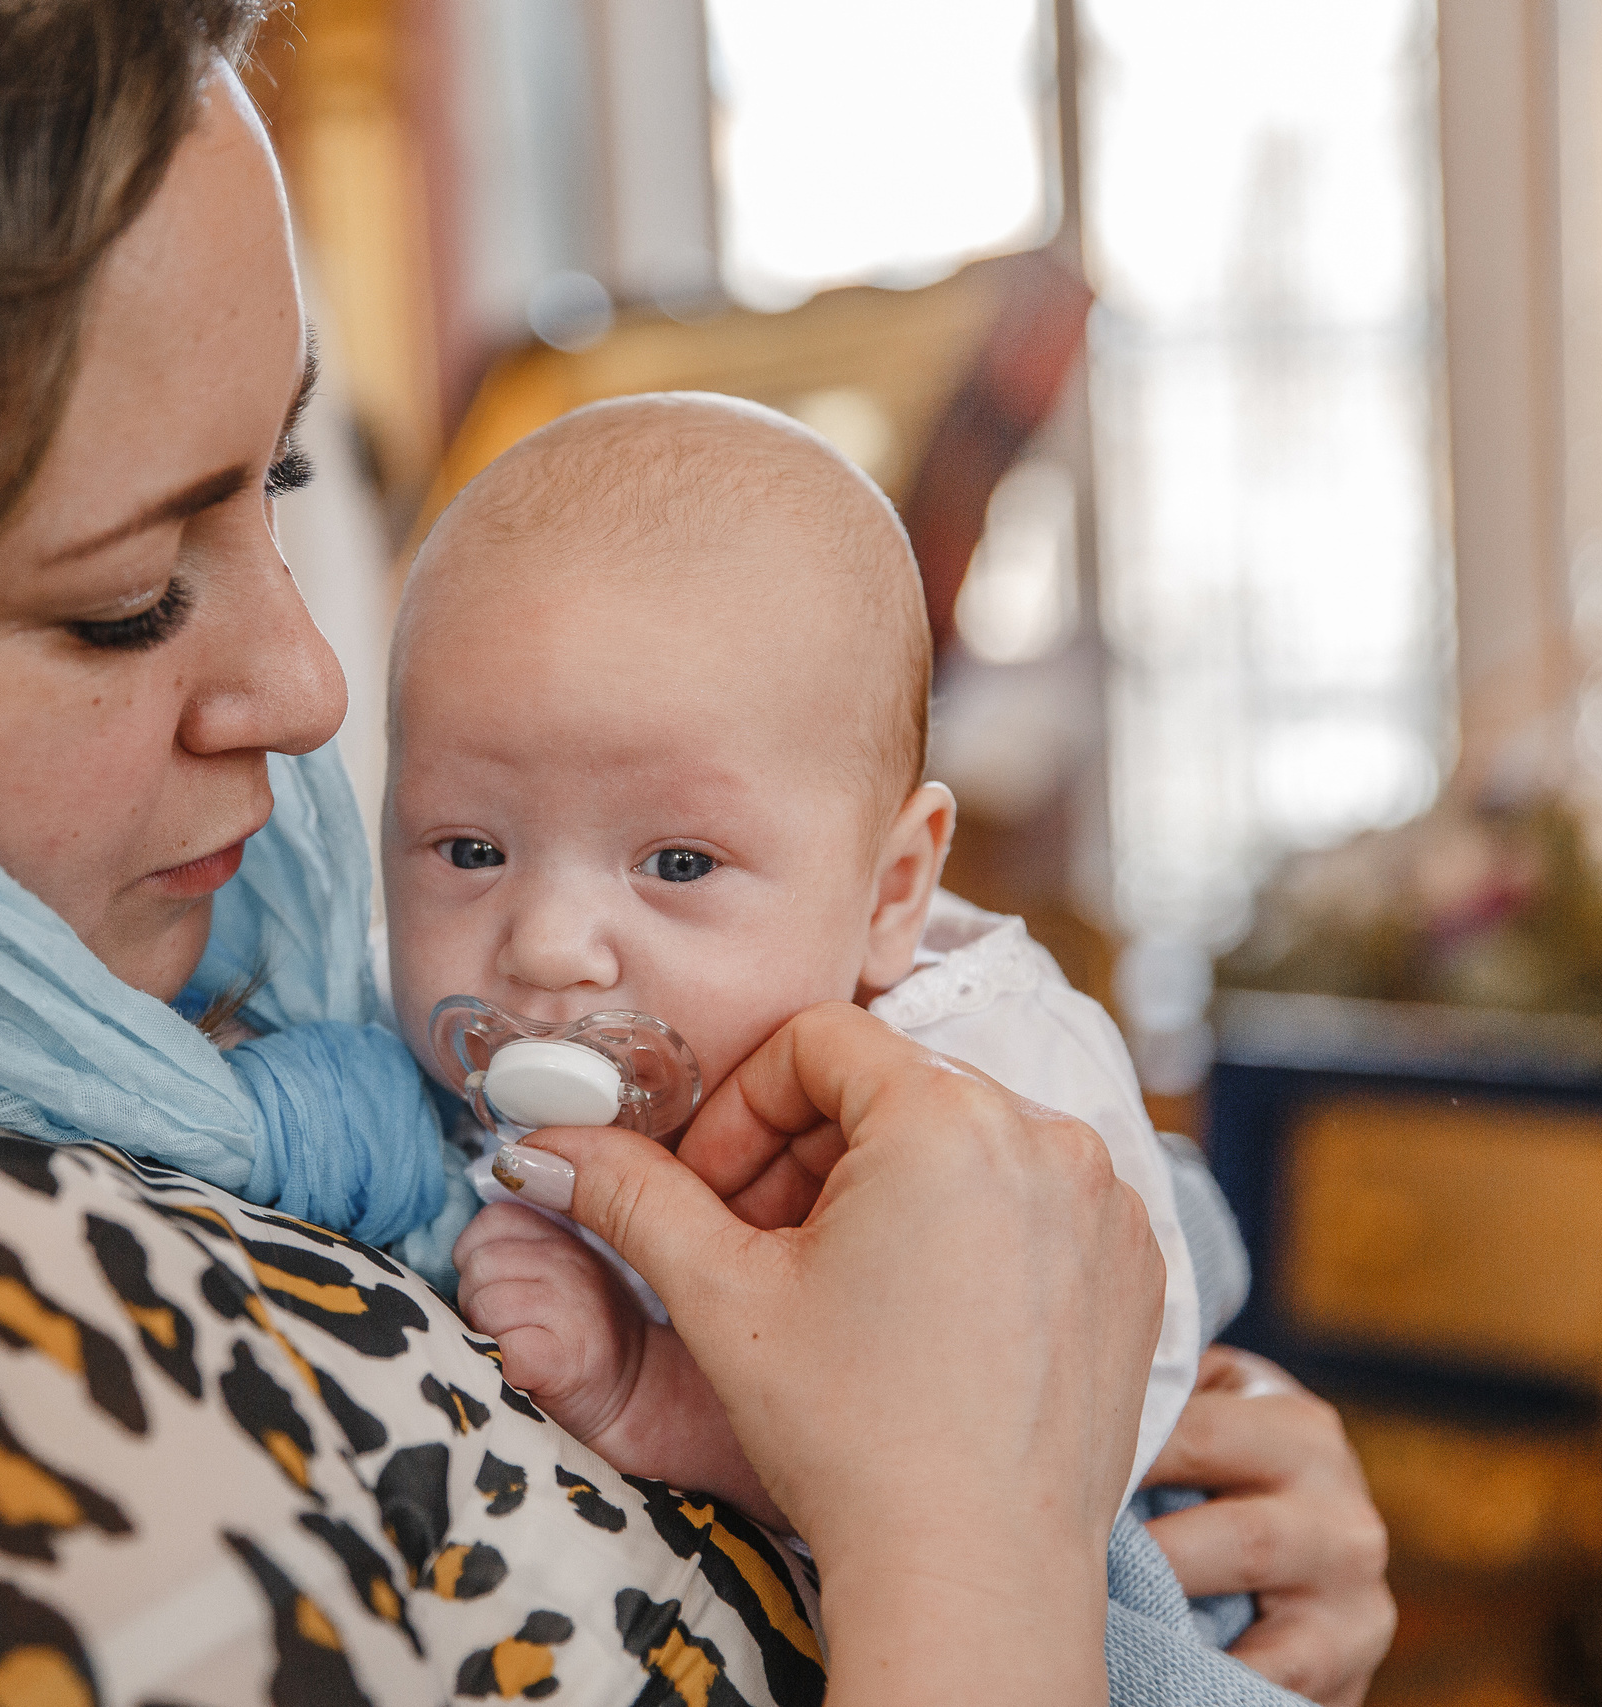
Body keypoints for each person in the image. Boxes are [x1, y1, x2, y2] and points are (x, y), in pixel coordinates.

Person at [0, 0, 1394, 1703]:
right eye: (125, 597)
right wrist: (976, 1557)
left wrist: (1113, 1462)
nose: (307, 688)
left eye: (274, 476)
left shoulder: (76, 1018)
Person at [385, 392, 1202, 1529]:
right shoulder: (392, 1023)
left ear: (892, 892)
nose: (547, 946)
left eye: (675, 863)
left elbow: (1070, 1422)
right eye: (471, 848)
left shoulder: (985, 1080)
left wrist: (665, 1404)